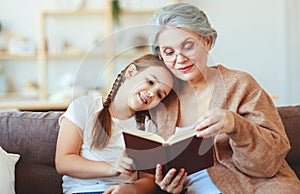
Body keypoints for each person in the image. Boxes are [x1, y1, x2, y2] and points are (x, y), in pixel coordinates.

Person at [148, 3, 300, 194]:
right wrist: (165, 187)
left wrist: (235, 125)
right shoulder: (161, 99)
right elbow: (151, 170)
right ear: (161, 57)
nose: (180, 59)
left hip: (252, 188)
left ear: (207, 42)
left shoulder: (240, 84)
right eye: (169, 52)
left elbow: (268, 164)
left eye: (188, 47)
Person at [55, 54, 174, 194]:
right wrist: (112, 168)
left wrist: (130, 189)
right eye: (150, 82)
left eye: (160, 94)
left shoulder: (149, 128)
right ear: (130, 72)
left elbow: (147, 180)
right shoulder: (84, 107)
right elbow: (63, 162)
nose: (151, 93)